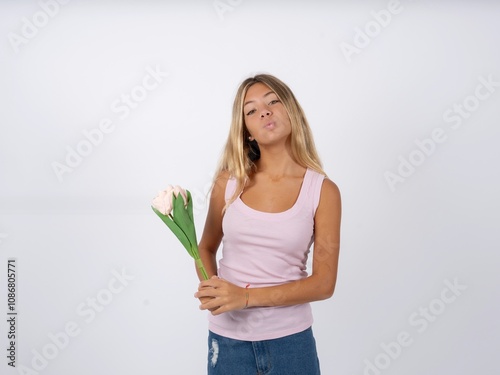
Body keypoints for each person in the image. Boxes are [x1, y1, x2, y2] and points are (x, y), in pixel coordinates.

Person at [194, 74, 341, 375]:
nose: (264, 111)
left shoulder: (323, 191)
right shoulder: (228, 182)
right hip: (227, 343)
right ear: (246, 131)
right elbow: (206, 248)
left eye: (273, 101)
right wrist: (214, 290)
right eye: (251, 110)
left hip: (291, 344)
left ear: (292, 112)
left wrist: (245, 298)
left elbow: (324, 284)